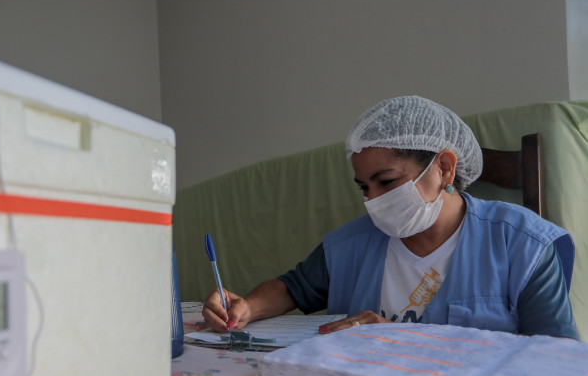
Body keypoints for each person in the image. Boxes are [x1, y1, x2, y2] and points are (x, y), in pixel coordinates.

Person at [202, 95, 579, 340]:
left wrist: (402, 342)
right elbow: (291, 288)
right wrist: (247, 306)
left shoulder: (524, 247)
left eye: (387, 182)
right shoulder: (350, 246)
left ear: (445, 168)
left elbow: (555, 360)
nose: (374, 201)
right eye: (364, 187)